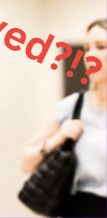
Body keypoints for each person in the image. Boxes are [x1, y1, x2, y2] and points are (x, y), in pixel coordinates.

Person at [20, 19, 106, 217]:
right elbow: (26, 162)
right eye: (87, 48)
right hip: (81, 209)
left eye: (101, 47)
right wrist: (57, 139)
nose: (91, 55)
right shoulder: (74, 106)